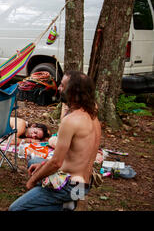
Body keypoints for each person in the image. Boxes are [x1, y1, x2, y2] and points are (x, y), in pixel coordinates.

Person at [8, 71, 101, 211]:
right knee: (34, 163)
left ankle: (62, 205)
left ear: (74, 91)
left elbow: (56, 163)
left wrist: (32, 181)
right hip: (83, 186)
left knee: (15, 209)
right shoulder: (93, 116)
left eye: (63, 86)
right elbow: (70, 158)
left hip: (70, 187)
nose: (58, 88)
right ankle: (67, 204)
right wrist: (42, 167)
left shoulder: (71, 121)